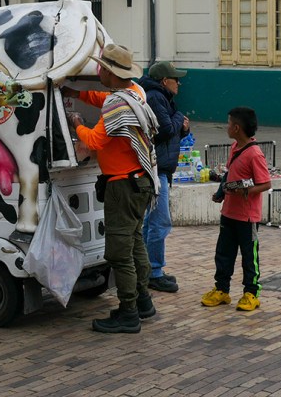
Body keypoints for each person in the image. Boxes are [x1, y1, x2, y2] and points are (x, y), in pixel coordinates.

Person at [64, 44, 159, 334]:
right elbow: (104, 98)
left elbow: (93, 141)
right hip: (140, 181)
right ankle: (144, 301)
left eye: (101, 68)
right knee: (135, 244)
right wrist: (77, 93)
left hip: (123, 186)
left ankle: (128, 312)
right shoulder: (134, 94)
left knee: (119, 253)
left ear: (110, 72)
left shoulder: (117, 105)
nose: (98, 72)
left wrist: (77, 123)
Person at [201, 106, 271, 312]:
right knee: (223, 253)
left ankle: (251, 292)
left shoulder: (255, 154)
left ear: (237, 128)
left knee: (249, 257)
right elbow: (230, 174)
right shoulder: (235, 148)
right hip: (229, 212)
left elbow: (266, 184)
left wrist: (246, 191)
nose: (227, 127)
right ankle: (222, 289)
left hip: (247, 217)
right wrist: (221, 192)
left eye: (229, 123)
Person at [136, 60, 190, 293]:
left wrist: (181, 125)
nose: (179, 83)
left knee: (151, 222)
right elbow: (165, 129)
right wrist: (180, 120)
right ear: (164, 81)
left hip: (160, 168)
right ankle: (154, 272)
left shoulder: (161, 97)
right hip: (157, 169)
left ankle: (147, 268)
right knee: (160, 222)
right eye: (175, 79)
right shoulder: (156, 97)